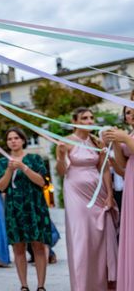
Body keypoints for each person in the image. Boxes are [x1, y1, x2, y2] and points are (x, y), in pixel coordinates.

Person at [56, 107, 118, 290]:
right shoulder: (66, 142)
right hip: (75, 194)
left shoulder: (97, 142)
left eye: (91, 118)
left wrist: (109, 195)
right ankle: (82, 285)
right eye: (85, 118)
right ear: (75, 120)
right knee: (80, 238)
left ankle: (101, 284)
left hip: (97, 194)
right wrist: (60, 156)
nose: (90, 121)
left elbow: (104, 169)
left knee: (98, 239)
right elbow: (61, 171)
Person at [0, 128, 52, 291]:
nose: (13, 141)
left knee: (38, 245)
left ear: (22, 140)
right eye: (9, 139)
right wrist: (9, 170)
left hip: (34, 205)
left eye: (16, 138)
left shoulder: (34, 158)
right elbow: (1, 187)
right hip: (14, 207)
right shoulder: (2, 162)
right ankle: (24, 285)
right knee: (18, 246)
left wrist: (23, 167)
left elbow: (42, 182)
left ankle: (41, 285)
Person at [103, 104, 134, 291]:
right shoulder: (128, 135)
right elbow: (122, 165)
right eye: (128, 112)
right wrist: (115, 142)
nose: (131, 115)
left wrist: (123, 138)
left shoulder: (128, 137)